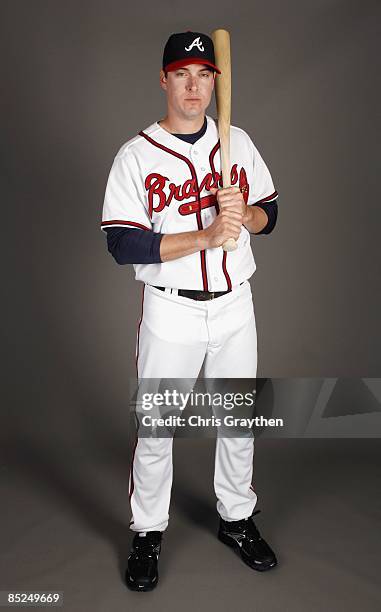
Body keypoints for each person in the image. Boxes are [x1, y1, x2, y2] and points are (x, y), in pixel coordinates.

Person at [101, 30, 279, 592]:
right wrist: (203, 235)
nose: (194, 85)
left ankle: (236, 517)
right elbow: (122, 244)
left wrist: (243, 212)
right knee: (156, 428)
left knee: (238, 420)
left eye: (204, 74)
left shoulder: (239, 142)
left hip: (235, 305)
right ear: (164, 79)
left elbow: (270, 214)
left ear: (215, 82)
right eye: (183, 73)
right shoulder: (136, 155)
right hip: (171, 310)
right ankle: (148, 532)